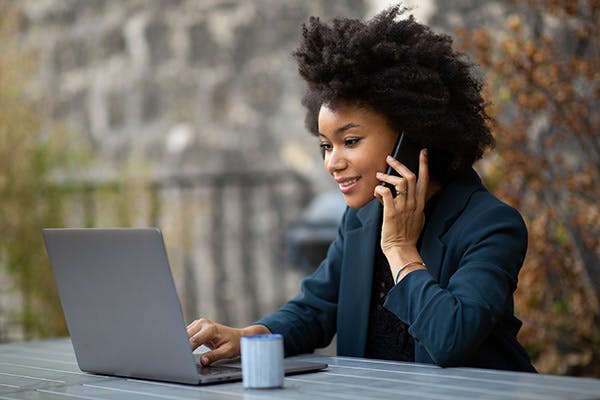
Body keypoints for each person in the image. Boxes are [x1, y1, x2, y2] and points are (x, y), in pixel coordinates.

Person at [187, 4, 536, 372]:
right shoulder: (361, 220)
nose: (332, 162)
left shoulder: (491, 226)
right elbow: (315, 309)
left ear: (414, 136)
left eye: (350, 141)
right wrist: (246, 337)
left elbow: (450, 340)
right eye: (326, 145)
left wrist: (400, 249)